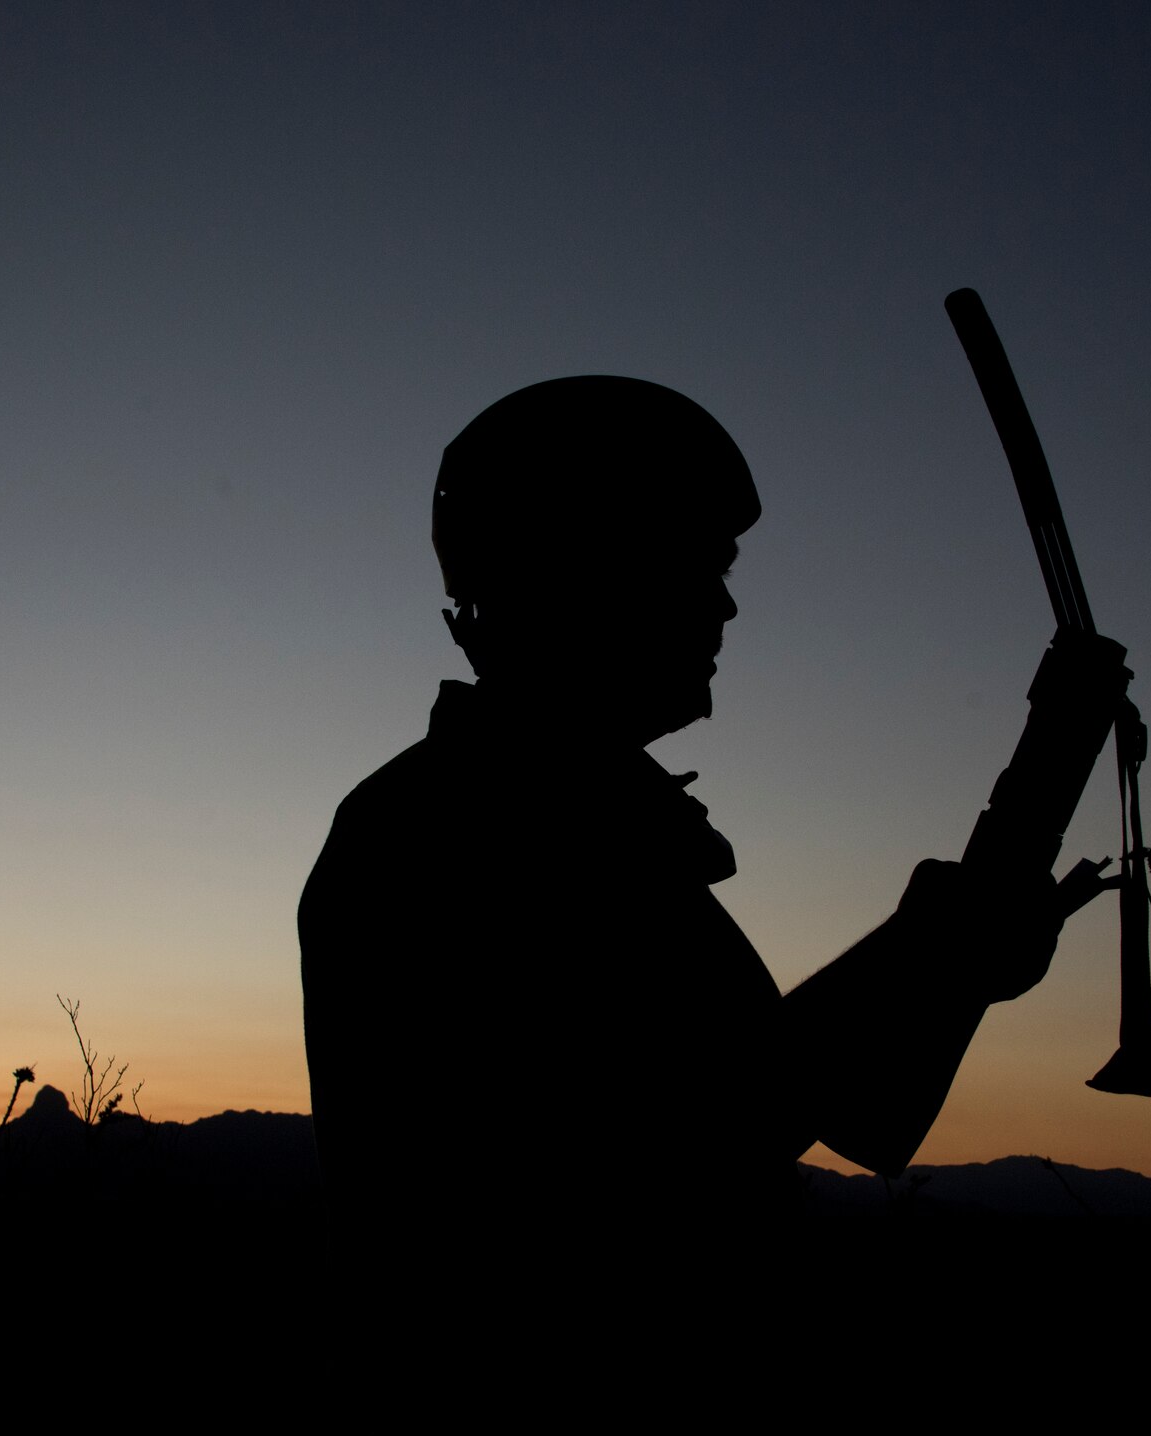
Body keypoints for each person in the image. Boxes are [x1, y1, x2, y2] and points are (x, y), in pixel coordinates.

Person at [300, 375, 1094, 1253]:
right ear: (581, 568)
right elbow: (672, 1142)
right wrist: (934, 940)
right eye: (697, 564)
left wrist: (977, 923)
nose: (725, 604)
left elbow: (856, 1120)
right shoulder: (443, 830)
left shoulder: (582, 827)